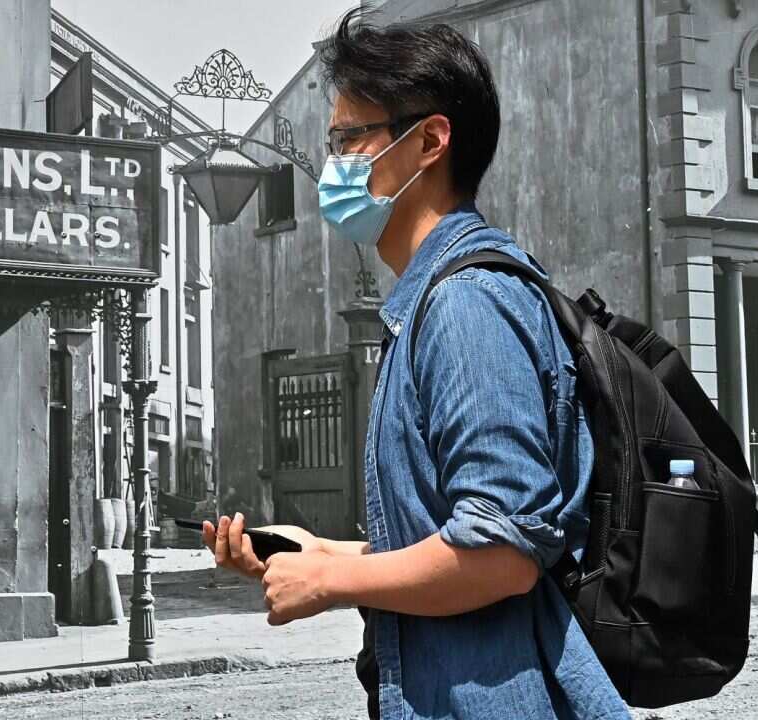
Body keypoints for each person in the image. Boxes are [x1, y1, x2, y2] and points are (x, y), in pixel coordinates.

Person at [200, 10, 632, 720]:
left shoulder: (465, 305)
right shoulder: (436, 301)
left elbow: (500, 552)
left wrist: (334, 585)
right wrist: (320, 554)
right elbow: (448, 534)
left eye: (350, 138)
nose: (335, 164)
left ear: (429, 140)